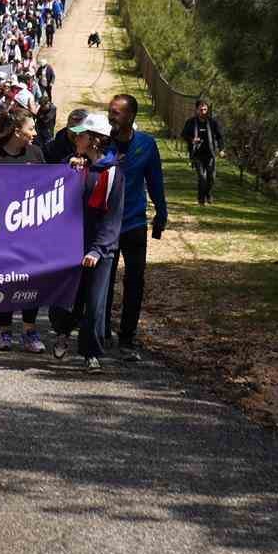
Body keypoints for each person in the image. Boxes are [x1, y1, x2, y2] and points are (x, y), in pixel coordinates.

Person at [47, 112, 121, 373]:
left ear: (94, 140)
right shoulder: (74, 165)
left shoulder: (112, 172)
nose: (75, 138)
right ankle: (62, 333)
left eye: (81, 135)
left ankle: (91, 353)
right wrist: (67, 170)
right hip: (70, 245)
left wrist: (98, 250)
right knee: (65, 296)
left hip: (100, 249)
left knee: (94, 303)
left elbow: (112, 218)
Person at [0, 108, 47, 353]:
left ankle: (30, 331)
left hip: (32, 230)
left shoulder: (36, 153)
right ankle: (5, 331)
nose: (35, 133)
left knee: (31, 279)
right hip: (1, 231)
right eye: (31, 128)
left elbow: (49, 185)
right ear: (17, 131)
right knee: (5, 280)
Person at [105, 94, 168, 362]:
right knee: (103, 281)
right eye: (110, 111)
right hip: (105, 225)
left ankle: (127, 338)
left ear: (131, 116)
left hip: (134, 224)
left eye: (116, 112)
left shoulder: (146, 144)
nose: (111, 116)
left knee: (134, 282)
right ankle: (101, 331)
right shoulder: (102, 142)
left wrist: (161, 213)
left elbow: (155, 181)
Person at [181, 99, 225, 206]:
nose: (203, 111)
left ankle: (208, 194)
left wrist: (221, 149)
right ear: (196, 110)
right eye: (201, 109)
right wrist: (192, 140)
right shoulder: (191, 122)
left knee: (211, 178)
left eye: (205, 109)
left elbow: (219, 137)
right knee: (202, 177)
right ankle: (201, 200)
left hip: (210, 154)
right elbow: (184, 135)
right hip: (197, 154)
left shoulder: (212, 123)